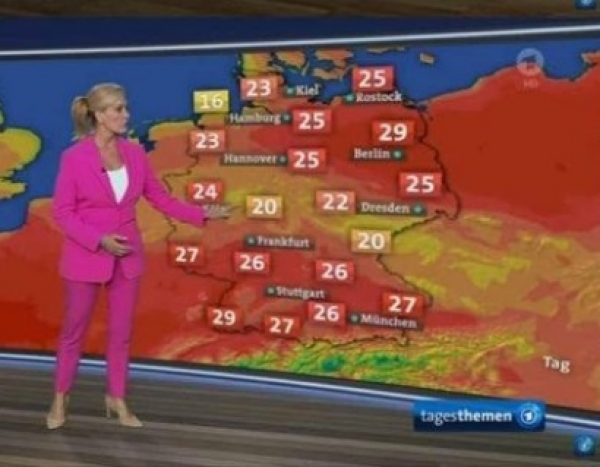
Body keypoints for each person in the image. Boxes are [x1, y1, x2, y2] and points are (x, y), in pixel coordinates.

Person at [46, 83, 230, 430]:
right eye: (118, 109)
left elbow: (161, 199)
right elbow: (63, 213)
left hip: (127, 259)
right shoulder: (74, 158)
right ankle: (60, 398)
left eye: (125, 108)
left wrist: (202, 213)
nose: (126, 115)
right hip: (87, 257)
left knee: (121, 334)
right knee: (74, 332)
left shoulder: (134, 154)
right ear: (99, 115)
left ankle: (116, 398)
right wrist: (99, 240)